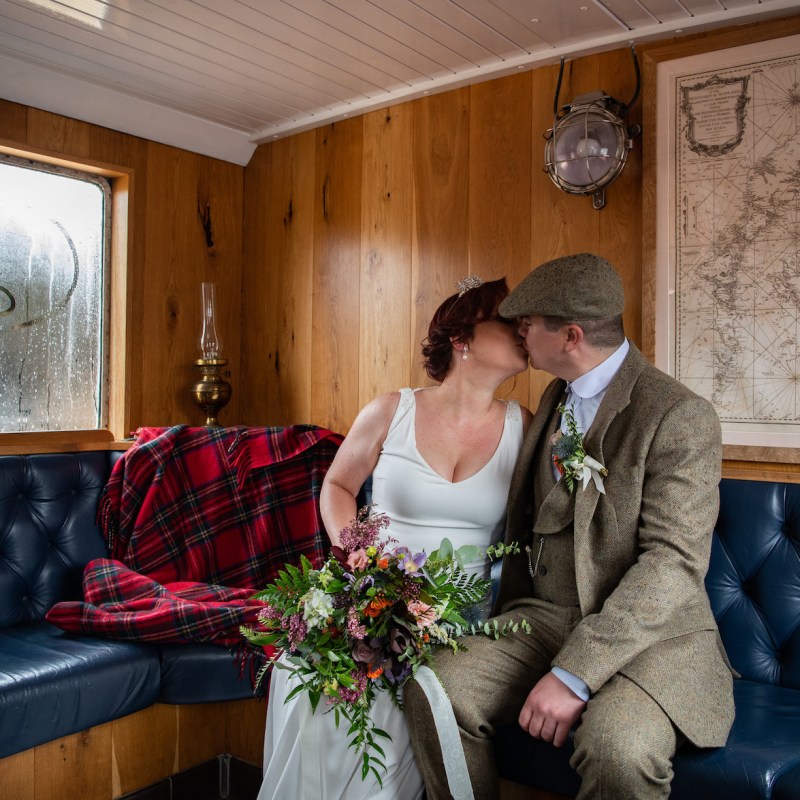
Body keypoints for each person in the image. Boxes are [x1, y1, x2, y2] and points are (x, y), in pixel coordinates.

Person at [405, 253, 735, 800]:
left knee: (616, 748)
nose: (519, 332)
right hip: (544, 618)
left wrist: (573, 674)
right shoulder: (555, 394)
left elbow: (672, 564)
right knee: (434, 686)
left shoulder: (679, 415)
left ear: (571, 336)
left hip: (651, 637)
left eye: (527, 323)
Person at [257, 276, 533, 800]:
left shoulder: (524, 427)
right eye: (507, 319)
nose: (522, 330)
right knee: (308, 671)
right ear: (462, 338)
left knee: (412, 686)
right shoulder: (392, 411)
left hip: (459, 618)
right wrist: (359, 560)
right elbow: (337, 486)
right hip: (372, 594)